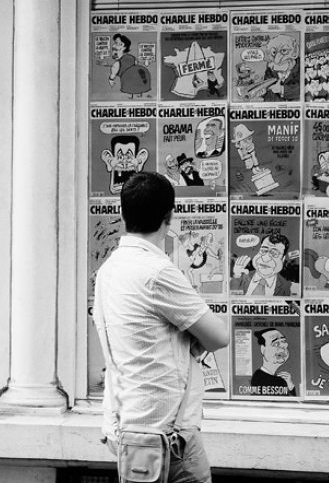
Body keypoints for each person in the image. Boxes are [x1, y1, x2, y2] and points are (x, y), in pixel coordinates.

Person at [93, 171, 229, 483]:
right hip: (169, 435)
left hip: (128, 428)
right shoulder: (158, 273)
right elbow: (218, 337)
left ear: (123, 213)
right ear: (169, 216)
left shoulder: (108, 271)